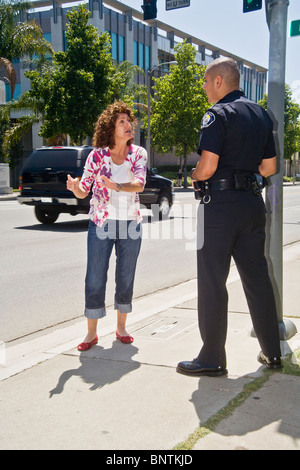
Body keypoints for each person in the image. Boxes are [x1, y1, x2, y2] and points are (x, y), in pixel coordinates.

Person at [177, 57, 282, 377]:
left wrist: (194, 175)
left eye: (207, 82)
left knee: (212, 281)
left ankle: (212, 358)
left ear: (220, 81)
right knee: (258, 278)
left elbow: (207, 167)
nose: (205, 88)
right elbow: (269, 168)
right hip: (252, 205)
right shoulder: (262, 115)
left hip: (220, 206)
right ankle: (272, 352)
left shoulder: (217, 114)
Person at [67, 101, 147, 350]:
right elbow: (84, 191)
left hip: (130, 224)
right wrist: (75, 188)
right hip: (101, 223)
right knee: (95, 276)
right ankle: (91, 333)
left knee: (125, 276)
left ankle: (121, 327)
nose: (128, 125)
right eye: (121, 121)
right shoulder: (97, 156)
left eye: (128, 120)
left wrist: (118, 186)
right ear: (110, 128)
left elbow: (140, 185)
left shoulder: (138, 154)